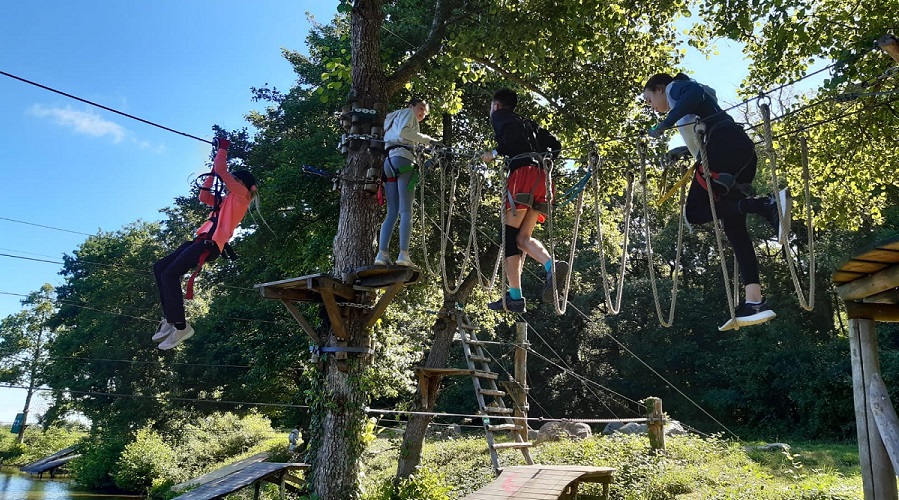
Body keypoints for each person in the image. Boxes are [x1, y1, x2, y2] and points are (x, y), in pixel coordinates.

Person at [643, 72, 791, 331]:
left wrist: (664, 124)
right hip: (737, 154)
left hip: (724, 148)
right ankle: (754, 302)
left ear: (659, 88)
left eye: (649, 100)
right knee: (734, 230)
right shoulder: (690, 109)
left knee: (695, 212)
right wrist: (678, 150)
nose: (652, 107)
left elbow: (694, 95)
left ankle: (763, 205)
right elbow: (700, 120)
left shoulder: (677, 88)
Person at [152, 137, 257, 349]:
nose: (229, 186)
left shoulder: (242, 197)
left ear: (243, 184)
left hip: (210, 245)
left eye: (234, 182)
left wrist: (223, 149)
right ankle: (171, 319)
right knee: (160, 268)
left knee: (169, 274)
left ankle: (181, 327)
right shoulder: (226, 201)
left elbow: (223, 172)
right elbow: (203, 196)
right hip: (199, 240)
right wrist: (211, 173)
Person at [481, 88, 567, 313]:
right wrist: (544, 159)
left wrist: (494, 153)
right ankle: (551, 266)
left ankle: (516, 298)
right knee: (522, 238)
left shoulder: (500, 116)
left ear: (497, 105)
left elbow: (511, 141)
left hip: (523, 175)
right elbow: (555, 144)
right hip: (543, 178)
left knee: (509, 237)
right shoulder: (529, 123)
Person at [375, 98, 442, 267]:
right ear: (411, 106)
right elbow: (405, 133)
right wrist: (430, 141)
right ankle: (403, 254)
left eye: (425, 113)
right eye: (420, 108)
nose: (422, 114)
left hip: (389, 163)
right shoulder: (407, 114)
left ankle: (382, 254)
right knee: (406, 211)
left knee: (392, 212)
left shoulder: (392, 118)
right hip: (403, 160)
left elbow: (400, 136)